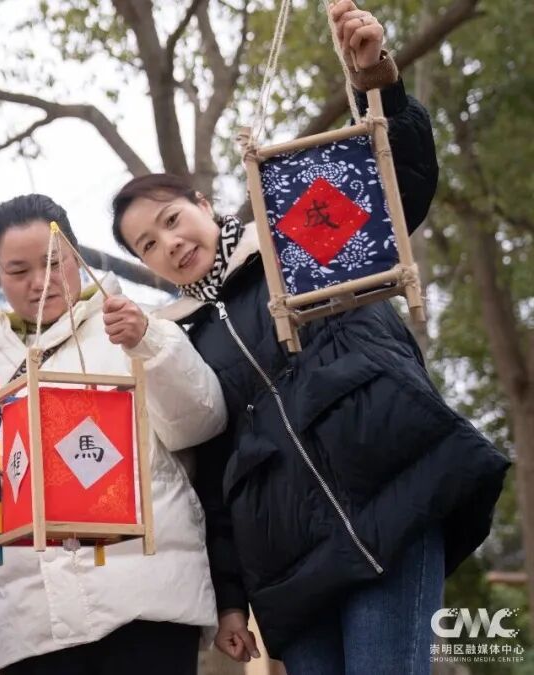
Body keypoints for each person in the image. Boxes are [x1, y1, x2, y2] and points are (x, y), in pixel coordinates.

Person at [109, 3, 509, 672]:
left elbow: (399, 192)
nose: (170, 243)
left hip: (392, 495)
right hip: (289, 569)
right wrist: (230, 599)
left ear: (204, 204)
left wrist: (377, 83)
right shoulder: (177, 345)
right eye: (148, 244)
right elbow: (211, 478)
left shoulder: (294, 240)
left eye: (172, 219)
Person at [0, 193, 229, 674]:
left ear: (76, 256)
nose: (39, 282)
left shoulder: (137, 325)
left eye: (53, 263)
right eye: (18, 270)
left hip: (145, 604)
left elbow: (201, 422)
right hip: (32, 622)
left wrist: (150, 344)